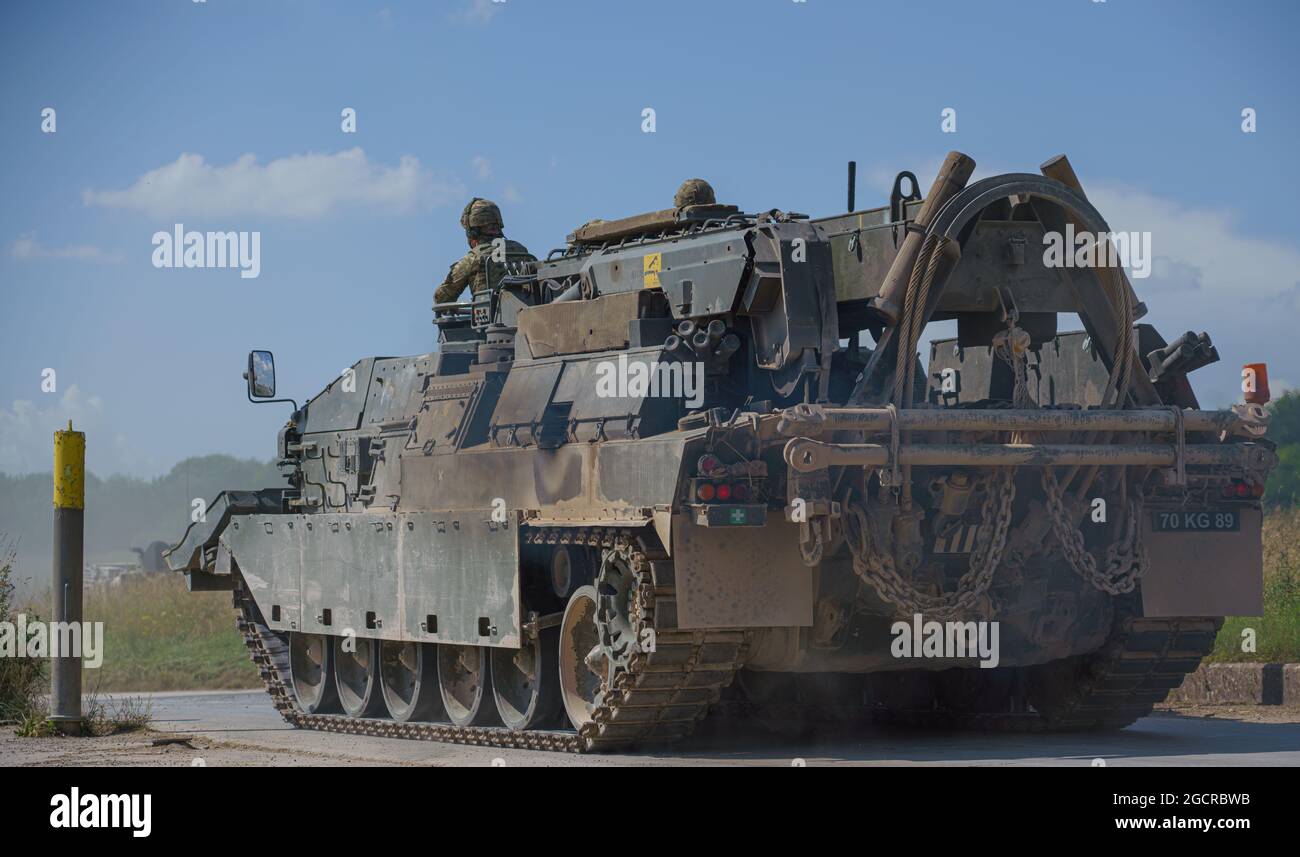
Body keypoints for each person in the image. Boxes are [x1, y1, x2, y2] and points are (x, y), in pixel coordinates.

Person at [434, 198, 535, 306]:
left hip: (490, 320)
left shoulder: (473, 258)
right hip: (527, 317)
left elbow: (441, 298)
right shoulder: (521, 250)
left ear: (472, 231)